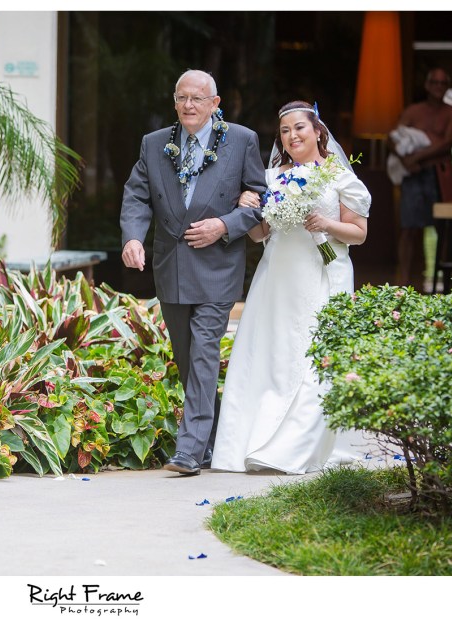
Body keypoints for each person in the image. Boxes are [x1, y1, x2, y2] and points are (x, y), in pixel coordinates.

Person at [211, 101, 371, 474]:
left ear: (317, 131)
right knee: (273, 358)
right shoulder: (271, 178)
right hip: (277, 278)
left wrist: (325, 225)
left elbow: (359, 234)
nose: (292, 136)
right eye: (284, 131)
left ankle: (296, 448)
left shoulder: (338, 176)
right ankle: (255, 440)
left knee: (315, 359)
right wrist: (246, 205)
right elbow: (259, 235)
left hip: (323, 273)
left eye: (299, 127)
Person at [120, 69, 265, 476]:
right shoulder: (154, 144)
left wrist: (225, 225)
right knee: (188, 359)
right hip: (172, 266)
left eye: (197, 99)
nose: (188, 106)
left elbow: (260, 199)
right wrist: (133, 237)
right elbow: (137, 194)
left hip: (219, 266)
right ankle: (213, 438)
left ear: (215, 104)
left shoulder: (241, 140)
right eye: (182, 98)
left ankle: (190, 450)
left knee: (204, 353)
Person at [391, 68, 452, 292]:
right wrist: (405, 159)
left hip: (439, 174)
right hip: (413, 175)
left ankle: (447, 281)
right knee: (409, 227)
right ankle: (403, 280)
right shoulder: (414, 111)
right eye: (435, 82)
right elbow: (392, 137)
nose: (438, 87)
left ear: (447, 86)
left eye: (443, 83)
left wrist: (418, 157)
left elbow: (447, 142)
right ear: (427, 85)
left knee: (443, 226)